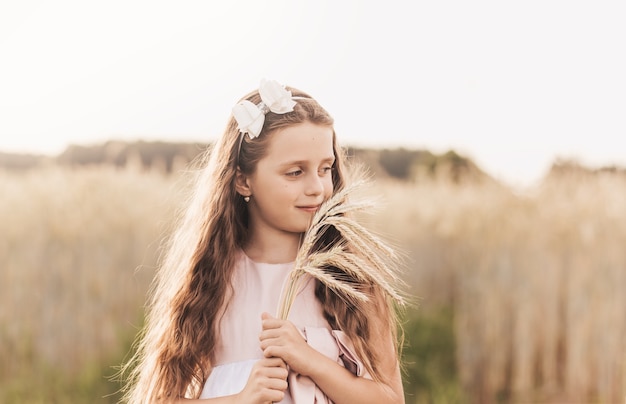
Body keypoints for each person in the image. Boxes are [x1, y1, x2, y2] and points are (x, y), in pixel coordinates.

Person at [120, 79, 405, 403]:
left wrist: (311, 361)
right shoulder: (208, 283)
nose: (317, 188)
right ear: (243, 180)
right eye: (295, 172)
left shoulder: (351, 282)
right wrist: (241, 399)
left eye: (325, 168)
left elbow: (391, 398)